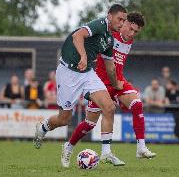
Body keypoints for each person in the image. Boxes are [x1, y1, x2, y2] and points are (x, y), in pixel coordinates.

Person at [33, 4, 127, 167]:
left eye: (124, 20)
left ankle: (106, 153)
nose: (122, 23)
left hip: (88, 74)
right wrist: (83, 57)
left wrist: (116, 84)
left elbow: (110, 66)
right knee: (64, 119)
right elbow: (77, 36)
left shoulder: (109, 39)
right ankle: (43, 127)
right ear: (109, 16)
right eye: (119, 19)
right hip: (68, 74)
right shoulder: (99, 25)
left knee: (109, 107)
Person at [60, 11, 156, 167]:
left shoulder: (129, 41)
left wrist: (118, 82)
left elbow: (116, 65)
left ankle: (140, 147)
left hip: (118, 81)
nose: (132, 34)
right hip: (100, 84)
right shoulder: (108, 36)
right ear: (123, 22)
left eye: (136, 32)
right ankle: (68, 147)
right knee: (89, 124)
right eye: (130, 29)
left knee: (137, 104)